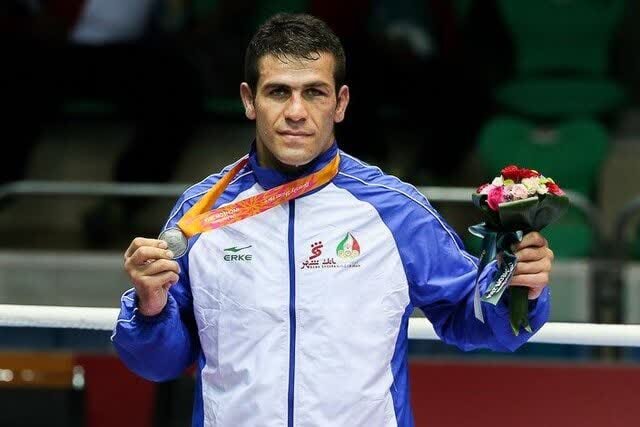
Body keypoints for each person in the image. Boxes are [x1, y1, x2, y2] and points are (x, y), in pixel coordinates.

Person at [112, 13, 554, 426]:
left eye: (314, 92)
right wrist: (150, 308)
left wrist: (519, 288)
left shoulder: (395, 212)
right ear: (249, 100)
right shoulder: (199, 216)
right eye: (278, 92)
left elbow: (473, 318)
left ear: (340, 103)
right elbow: (159, 364)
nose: (296, 112)